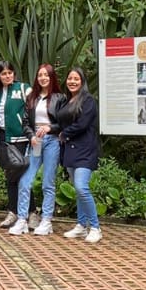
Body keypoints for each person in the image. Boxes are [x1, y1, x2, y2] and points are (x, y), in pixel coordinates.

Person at [12, 64, 65, 236]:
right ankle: (22, 219)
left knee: (47, 182)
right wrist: (31, 136)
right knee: (25, 181)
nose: (42, 78)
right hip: (36, 142)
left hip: (51, 142)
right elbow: (25, 123)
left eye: (46, 75)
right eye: (40, 75)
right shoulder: (32, 98)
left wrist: (50, 128)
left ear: (51, 77)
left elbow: (64, 123)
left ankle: (46, 220)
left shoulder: (59, 97)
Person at [58, 66, 101, 244]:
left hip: (85, 150)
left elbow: (83, 124)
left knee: (82, 187)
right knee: (77, 189)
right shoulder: (66, 101)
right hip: (70, 151)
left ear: (82, 81)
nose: (72, 82)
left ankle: (96, 227)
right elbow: (59, 124)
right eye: (70, 78)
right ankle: (81, 225)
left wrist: (65, 134)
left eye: (76, 79)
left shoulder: (88, 100)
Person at [0, 61, 31, 229]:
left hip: (21, 138)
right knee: (10, 175)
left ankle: (31, 212)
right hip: (3, 138)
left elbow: (34, 108)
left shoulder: (23, 88)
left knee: (23, 175)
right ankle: (13, 212)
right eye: (3, 73)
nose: (7, 76)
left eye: (10, 72)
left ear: (14, 74)